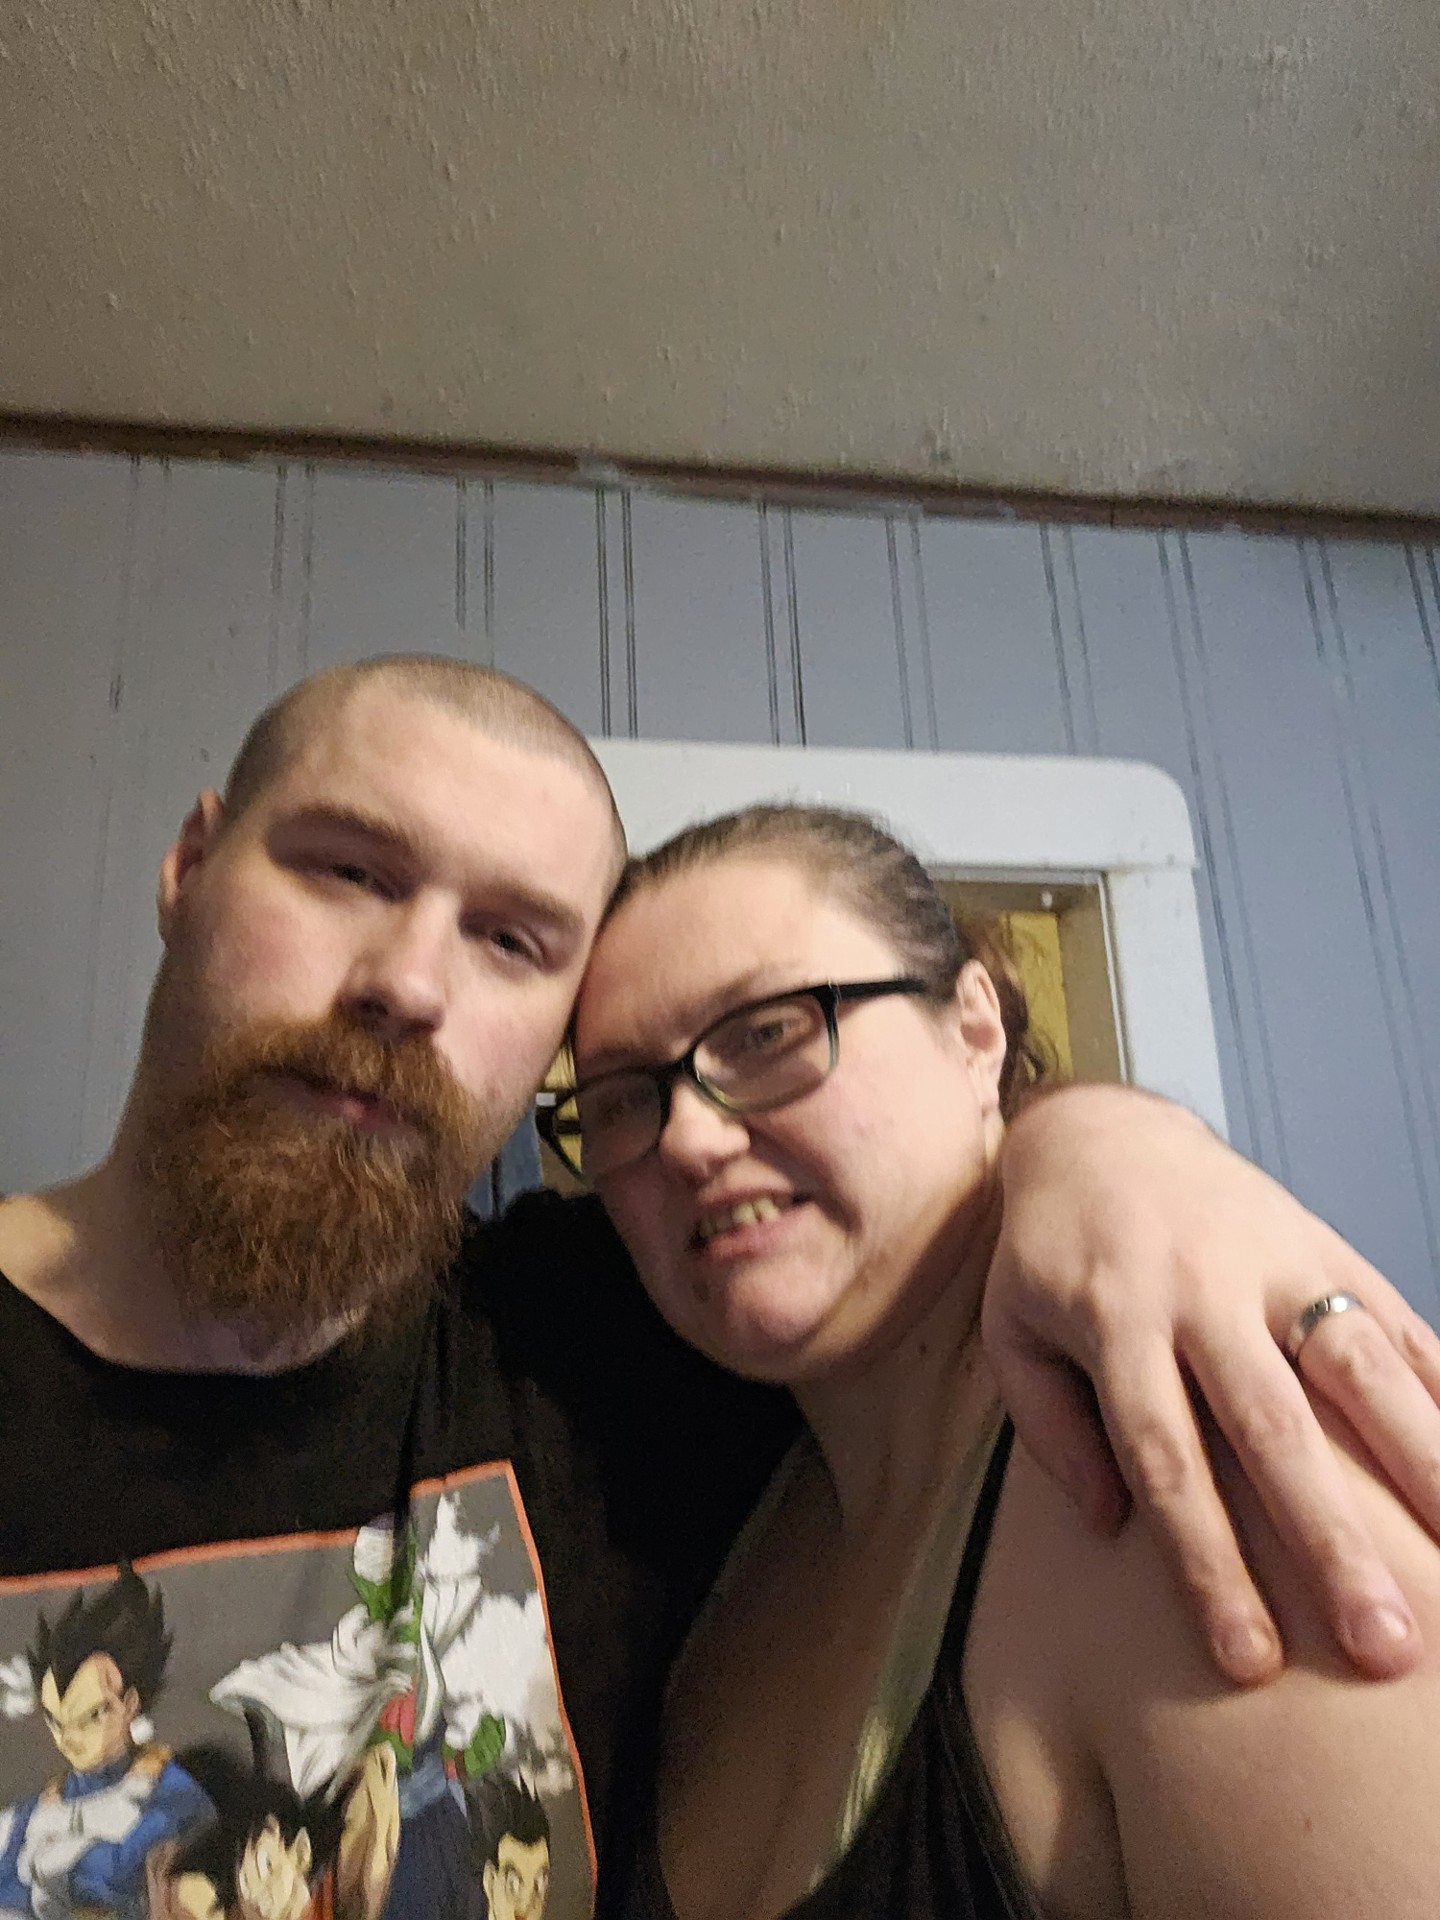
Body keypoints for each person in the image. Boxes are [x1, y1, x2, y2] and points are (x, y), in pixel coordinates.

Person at [0, 657, 1436, 1920]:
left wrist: (1114, 1145)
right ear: (190, 863)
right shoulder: (706, 1404)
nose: (410, 983)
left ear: (978, 1024)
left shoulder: (594, 1360)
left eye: (511, 941)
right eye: (347, 873)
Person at [559, 801, 1440, 1918]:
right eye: (621, 1099)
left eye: (770, 1032)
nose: (687, 1136)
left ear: (975, 1029)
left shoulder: (1197, 1468)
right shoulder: (703, 1509)